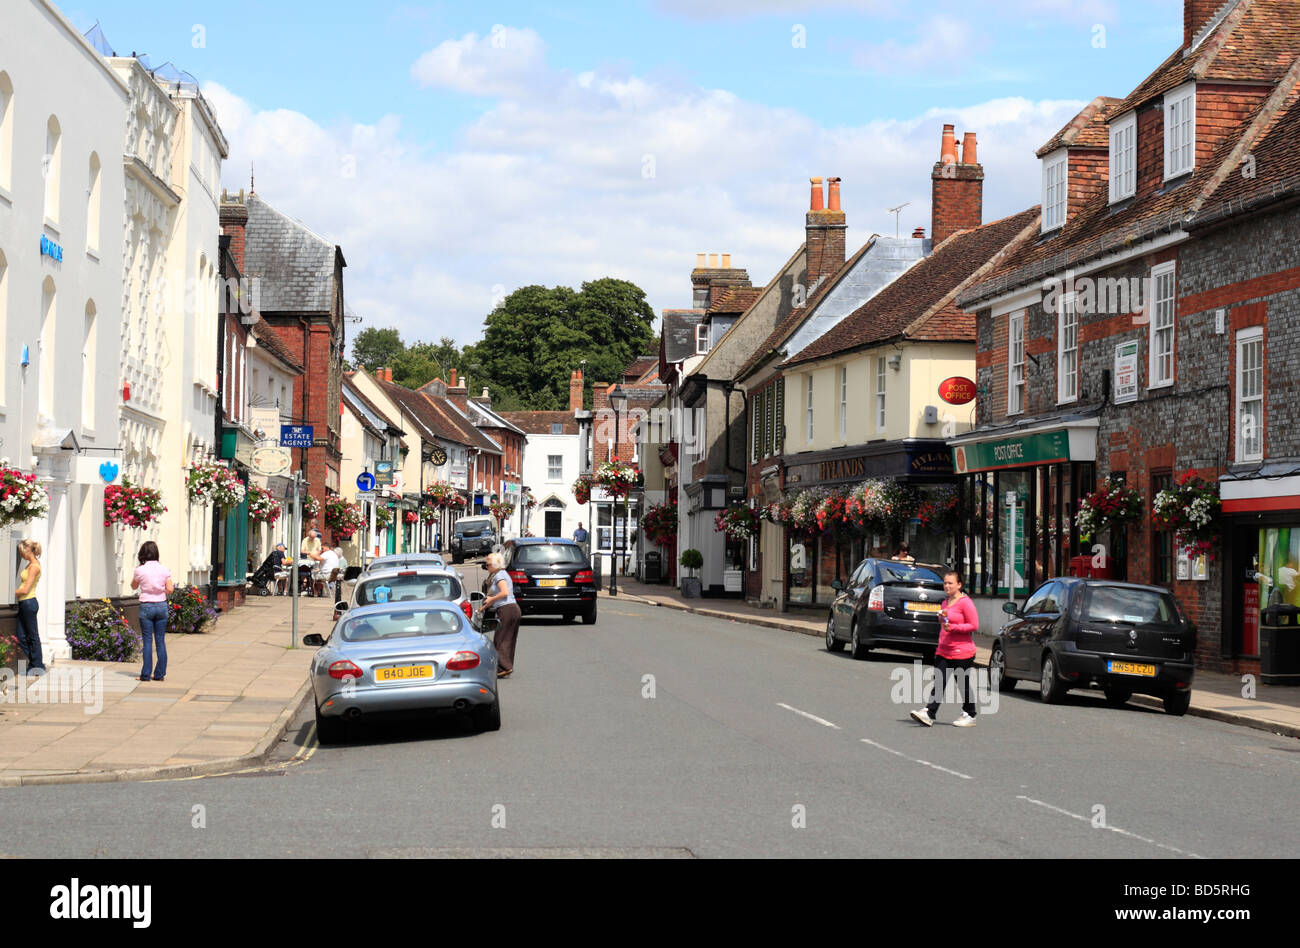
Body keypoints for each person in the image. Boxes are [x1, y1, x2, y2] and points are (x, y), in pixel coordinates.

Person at [911, 569, 979, 727]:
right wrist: (942, 619)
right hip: (944, 649)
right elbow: (945, 624)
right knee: (939, 682)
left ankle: (970, 714)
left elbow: (974, 625)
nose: (947, 586)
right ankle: (929, 712)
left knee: (962, 683)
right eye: (945, 583)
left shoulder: (965, 603)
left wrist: (954, 627)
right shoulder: (944, 602)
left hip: (962, 651)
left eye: (950, 583)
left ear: (959, 585)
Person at [131, 541, 175, 682]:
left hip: (146, 606)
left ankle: (145, 674)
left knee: (147, 641)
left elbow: (133, 586)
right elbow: (170, 589)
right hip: (161, 605)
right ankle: (160, 674)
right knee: (160, 641)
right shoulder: (164, 569)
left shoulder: (140, 570)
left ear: (142, 554)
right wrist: (159, 589)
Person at [482, 551, 521, 679]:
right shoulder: (500, 574)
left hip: (507, 609)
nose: (486, 567)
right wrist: (483, 607)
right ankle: (506, 666)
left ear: (494, 565)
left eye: (487, 565)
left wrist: (491, 600)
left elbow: (504, 593)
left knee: (501, 639)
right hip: (511, 608)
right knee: (508, 638)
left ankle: (503, 667)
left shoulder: (499, 575)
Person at [14, 539, 46, 677]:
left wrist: (9, 593)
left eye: (22, 551)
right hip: (24, 603)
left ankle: (37, 666)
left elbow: (26, 589)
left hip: (28, 602)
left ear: (28, 550)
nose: (21, 554)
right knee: (21, 636)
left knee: (32, 635)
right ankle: (36, 664)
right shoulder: (29, 565)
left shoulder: (34, 567)